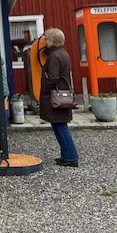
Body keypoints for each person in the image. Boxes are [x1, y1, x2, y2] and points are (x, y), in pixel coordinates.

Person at [39, 28, 80, 167]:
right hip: (63, 95)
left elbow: (53, 77)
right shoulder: (63, 53)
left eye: (46, 39)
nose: (45, 42)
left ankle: (71, 157)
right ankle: (66, 155)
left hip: (56, 96)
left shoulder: (54, 56)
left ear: (52, 40)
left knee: (61, 127)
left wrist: (44, 89)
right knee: (59, 125)